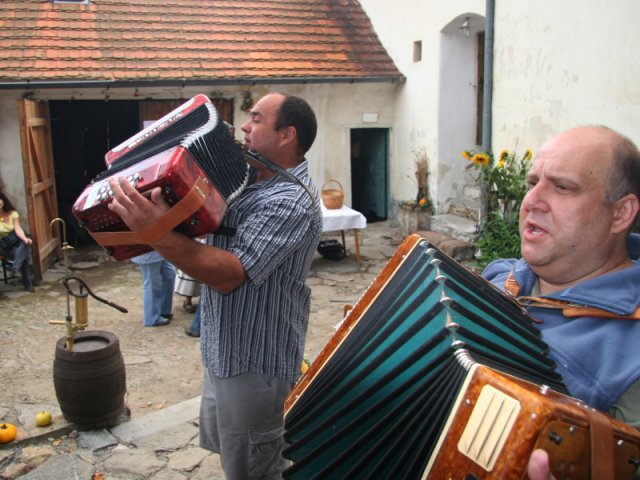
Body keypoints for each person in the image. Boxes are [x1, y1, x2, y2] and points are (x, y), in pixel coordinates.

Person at [106, 92, 322, 479]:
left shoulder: (291, 200)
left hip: (257, 359)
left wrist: (154, 231)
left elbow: (229, 274)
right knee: (233, 452)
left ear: (286, 135)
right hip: (224, 349)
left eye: (256, 118)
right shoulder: (249, 179)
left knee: (254, 467)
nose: (245, 126)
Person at [481, 126, 640, 478]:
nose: (531, 202)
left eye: (562, 187)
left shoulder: (632, 356)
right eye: (532, 182)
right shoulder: (501, 278)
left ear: (620, 213)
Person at [0, 191, 35, 292]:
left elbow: (18, 229)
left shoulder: (13, 213)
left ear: (3, 200)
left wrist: (25, 239)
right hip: (2, 245)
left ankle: (15, 267)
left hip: (14, 243)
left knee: (25, 243)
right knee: (24, 255)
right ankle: (26, 282)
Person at [131, 251, 176, 327]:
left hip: (158, 250)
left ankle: (163, 311)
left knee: (170, 274)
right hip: (147, 252)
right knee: (152, 283)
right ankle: (151, 318)